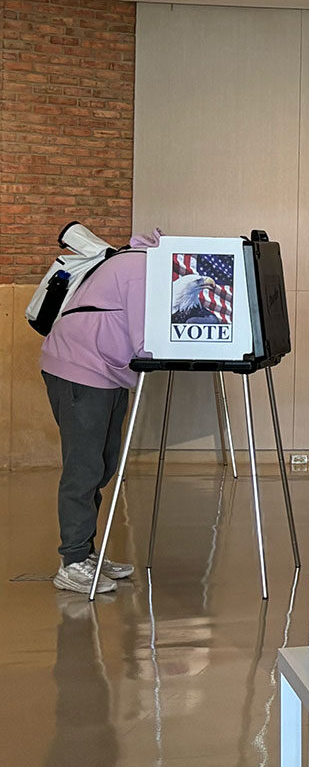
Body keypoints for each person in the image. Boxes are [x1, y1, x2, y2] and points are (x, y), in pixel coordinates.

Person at [39, 229, 156, 596]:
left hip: (107, 371)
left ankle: (87, 551)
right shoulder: (140, 267)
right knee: (84, 466)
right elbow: (144, 338)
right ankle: (72, 562)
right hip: (79, 367)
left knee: (104, 462)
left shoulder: (137, 263)